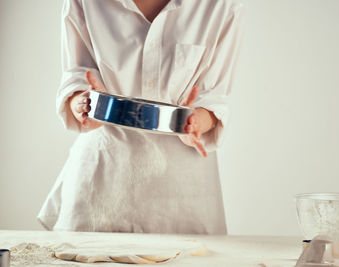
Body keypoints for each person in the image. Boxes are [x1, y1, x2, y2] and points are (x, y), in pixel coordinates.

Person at [38, 0, 244, 234]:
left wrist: (196, 121)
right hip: (103, 171)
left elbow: (214, 96)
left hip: (183, 186)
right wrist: (82, 103)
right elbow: (76, 74)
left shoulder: (222, 4)